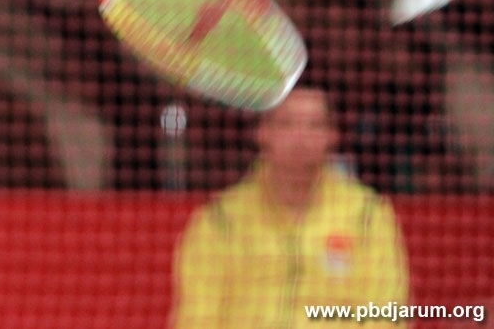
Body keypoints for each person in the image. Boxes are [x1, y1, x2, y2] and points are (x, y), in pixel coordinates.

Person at [169, 85, 410, 329]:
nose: (301, 138)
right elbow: (197, 317)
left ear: (332, 135)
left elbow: (386, 314)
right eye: (287, 124)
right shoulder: (220, 221)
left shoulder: (367, 215)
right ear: (262, 132)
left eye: (314, 125)